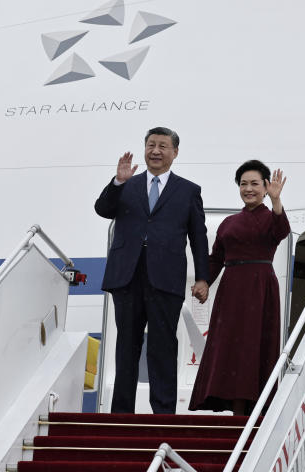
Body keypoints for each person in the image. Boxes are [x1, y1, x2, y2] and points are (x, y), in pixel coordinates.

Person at [94, 126, 210, 414]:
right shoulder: (127, 184)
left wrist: (203, 277)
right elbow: (103, 209)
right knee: (126, 346)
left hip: (166, 279)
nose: (155, 151)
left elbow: (198, 237)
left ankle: (163, 414)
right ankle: (121, 413)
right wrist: (118, 183)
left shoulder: (188, 190)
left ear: (175, 153)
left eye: (162, 146)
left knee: (162, 347)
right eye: (150, 145)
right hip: (127, 276)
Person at [189, 160, 290, 415]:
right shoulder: (228, 223)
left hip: (260, 289)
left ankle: (250, 406)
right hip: (231, 290)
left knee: (254, 346)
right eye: (243, 184)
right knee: (228, 347)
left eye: (255, 184)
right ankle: (227, 401)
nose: (248, 189)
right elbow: (215, 259)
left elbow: (282, 231)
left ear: (266, 187)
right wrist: (204, 282)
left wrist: (277, 202)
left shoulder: (271, 217)